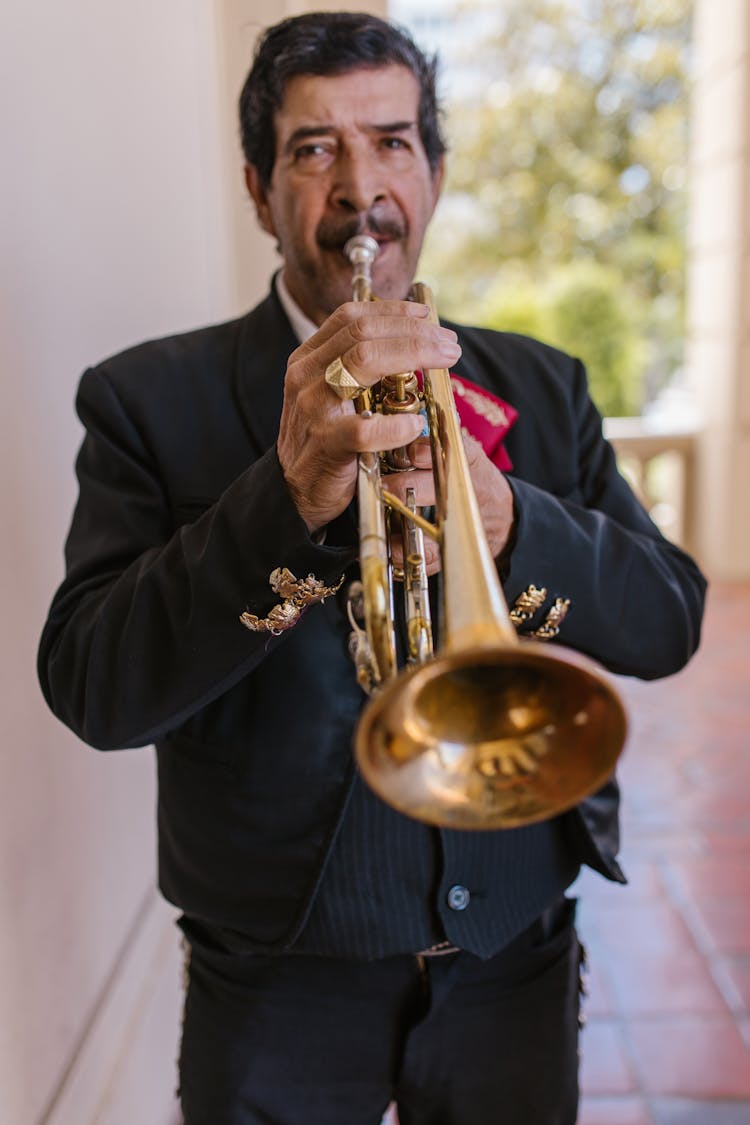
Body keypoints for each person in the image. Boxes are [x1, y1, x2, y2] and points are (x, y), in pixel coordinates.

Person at [38, 11, 706, 1125]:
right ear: (258, 190)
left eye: (393, 142)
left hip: (515, 960)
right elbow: (95, 691)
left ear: (435, 174)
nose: (361, 189)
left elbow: (670, 619)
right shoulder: (148, 402)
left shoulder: (543, 389)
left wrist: (512, 527)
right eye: (315, 150)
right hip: (278, 983)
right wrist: (283, 505)